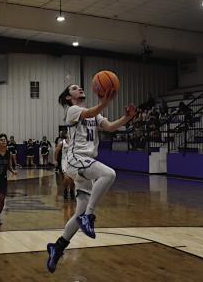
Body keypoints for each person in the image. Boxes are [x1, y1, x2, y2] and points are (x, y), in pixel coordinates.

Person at [46, 84, 136, 273]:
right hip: (75, 159)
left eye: (79, 87)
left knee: (78, 214)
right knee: (109, 174)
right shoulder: (72, 110)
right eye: (75, 88)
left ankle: (58, 247)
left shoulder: (94, 114)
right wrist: (105, 101)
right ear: (69, 97)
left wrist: (128, 117)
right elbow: (88, 112)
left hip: (85, 162)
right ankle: (90, 215)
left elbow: (110, 127)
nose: (80, 89)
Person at [54, 130, 74, 200]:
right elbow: (56, 151)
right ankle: (65, 190)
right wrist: (55, 160)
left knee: (72, 179)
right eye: (68, 134)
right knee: (66, 178)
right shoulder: (62, 142)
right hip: (64, 161)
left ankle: (71, 191)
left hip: (72, 161)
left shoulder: (74, 142)